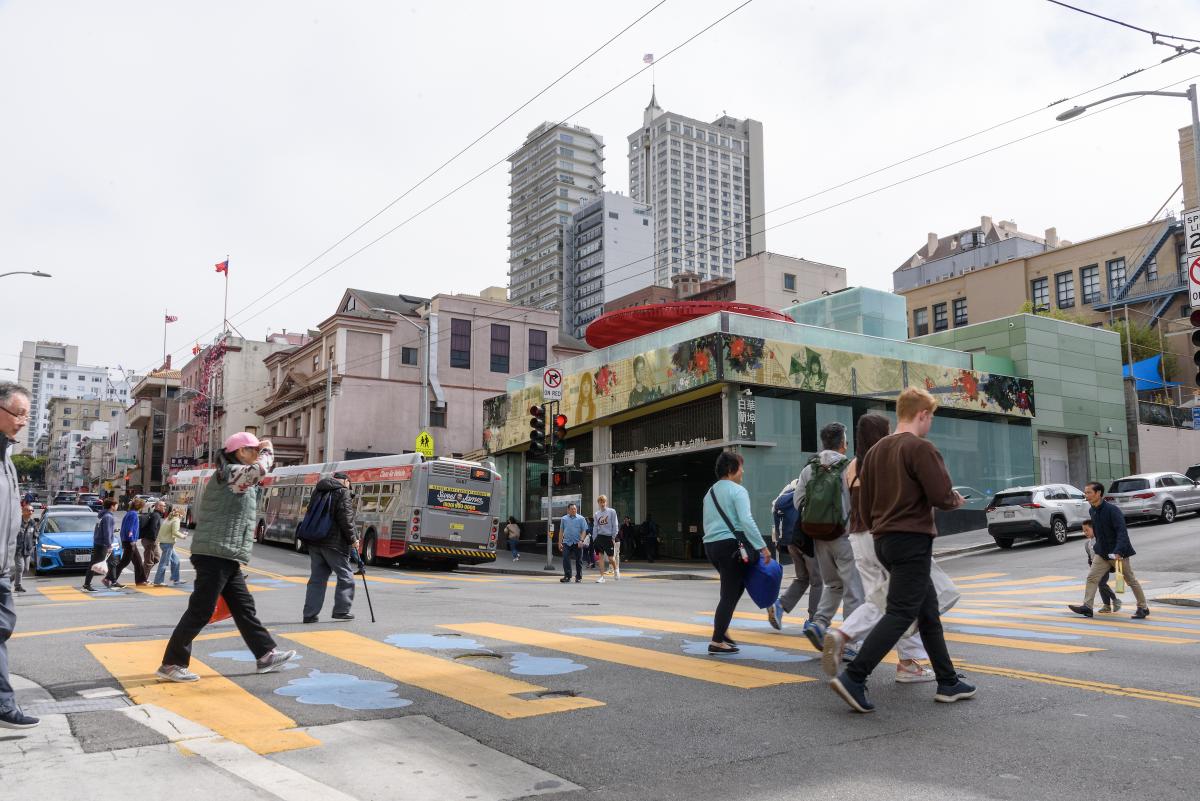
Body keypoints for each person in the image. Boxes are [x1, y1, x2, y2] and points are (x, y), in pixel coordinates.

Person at [830, 387, 975, 713]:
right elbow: (940, 494)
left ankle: (948, 681)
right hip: (912, 540)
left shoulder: (876, 451)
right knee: (900, 612)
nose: (931, 424)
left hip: (882, 540)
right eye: (931, 417)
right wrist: (955, 500)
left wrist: (880, 527)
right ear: (922, 414)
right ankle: (854, 676)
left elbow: (863, 507)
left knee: (928, 611)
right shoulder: (919, 447)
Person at [156, 432, 296, 682]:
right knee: (201, 610)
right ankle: (172, 663)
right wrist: (267, 449)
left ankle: (265, 654)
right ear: (241, 452)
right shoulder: (231, 473)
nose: (257, 454)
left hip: (225, 554)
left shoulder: (232, 475)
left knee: (244, 607)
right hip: (214, 553)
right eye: (253, 450)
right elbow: (259, 470)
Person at [822, 414, 938, 684]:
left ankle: (845, 633)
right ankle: (907, 663)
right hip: (883, 536)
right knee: (906, 600)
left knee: (879, 598)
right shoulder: (887, 460)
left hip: (857, 538)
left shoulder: (851, 467)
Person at [794, 422, 864, 650]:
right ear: (843, 443)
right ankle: (851, 643)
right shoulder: (848, 467)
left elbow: (798, 503)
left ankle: (819, 624)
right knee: (853, 589)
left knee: (833, 584)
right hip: (844, 536)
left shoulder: (809, 469)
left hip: (818, 536)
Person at [702, 451, 772, 655]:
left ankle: (722, 631)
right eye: (741, 467)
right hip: (730, 546)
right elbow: (746, 520)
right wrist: (763, 546)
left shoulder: (710, 492)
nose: (743, 471)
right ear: (732, 470)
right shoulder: (738, 490)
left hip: (711, 547)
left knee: (735, 588)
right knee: (729, 593)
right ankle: (716, 640)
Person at [0, 382, 38, 728]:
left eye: (27, 414)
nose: (24, 420)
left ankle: (3, 705)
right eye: (19, 413)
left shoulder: (8, 459)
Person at [1070, 482, 1149, 619]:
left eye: (1089, 492)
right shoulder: (1092, 510)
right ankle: (1087, 607)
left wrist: (1118, 551)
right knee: (1092, 578)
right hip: (1102, 552)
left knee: (1130, 580)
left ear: (1098, 493)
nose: (1086, 495)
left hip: (1118, 553)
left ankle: (1143, 607)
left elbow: (1122, 532)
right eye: (1086, 492)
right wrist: (1096, 548)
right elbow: (1098, 533)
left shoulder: (1112, 510)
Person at [302, 471, 358, 624]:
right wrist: (353, 539)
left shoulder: (319, 490)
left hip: (315, 541)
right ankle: (341, 610)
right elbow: (346, 518)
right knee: (346, 576)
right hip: (334, 543)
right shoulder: (343, 492)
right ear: (346, 482)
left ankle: (310, 614)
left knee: (317, 579)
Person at [766, 478, 822, 630]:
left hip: (792, 541)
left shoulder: (794, 484)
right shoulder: (817, 485)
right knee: (817, 581)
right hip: (808, 540)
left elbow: (774, 507)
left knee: (802, 578)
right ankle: (813, 621)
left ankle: (780, 605)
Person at [1082, 522, 1120, 613]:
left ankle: (1115, 600)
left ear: (1094, 529)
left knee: (1102, 584)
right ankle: (1107, 605)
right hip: (1095, 568)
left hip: (1104, 566)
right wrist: (1091, 566)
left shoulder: (1099, 540)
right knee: (1101, 585)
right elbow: (1089, 557)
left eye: (1087, 530)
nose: (1085, 533)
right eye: (1083, 531)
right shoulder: (1087, 543)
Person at [83, 498, 119, 592]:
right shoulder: (108, 517)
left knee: (112, 562)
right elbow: (106, 532)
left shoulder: (103, 515)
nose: (117, 506)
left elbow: (100, 529)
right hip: (103, 544)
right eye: (116, 504)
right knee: (94, 564)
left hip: (100, 542)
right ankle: (87, 584)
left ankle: (112, 581)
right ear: (112, 506)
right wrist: (109, 545)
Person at [112, 497, 146, 587]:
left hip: (127, 540)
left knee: (137, 561)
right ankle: (111, 579)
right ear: (140, 506)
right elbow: (129, 529)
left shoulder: (129, 513)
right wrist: (131, 540)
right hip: (130, 542)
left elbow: (126, 528)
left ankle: (140, 580)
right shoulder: (133, 514)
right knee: (125, 562)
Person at [152, 506, 188, 587]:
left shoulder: (169, 518)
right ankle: (158, 581)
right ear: (181, 514)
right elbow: (175, 532)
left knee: (176, 560)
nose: (182, 517)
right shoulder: (176, 520)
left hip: (165, 543)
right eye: (183, 515)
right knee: (164, 563)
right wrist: (183, 536)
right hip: (167, 544)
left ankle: (176, 579)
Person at [592, 495, 621, 583]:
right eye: (600, 502)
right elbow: (595, 527)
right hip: (600, 537)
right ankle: (602, 577)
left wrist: (613, 537)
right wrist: (594, 539)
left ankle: (616, 570)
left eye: (604, 502)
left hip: (609, 537)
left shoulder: (612, 511)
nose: (602, 504)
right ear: (598, 503)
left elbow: (615, 525)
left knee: (610, 558)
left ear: (606, 502)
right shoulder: (597, 514)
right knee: (600, 558)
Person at [557, 503, 587, 583]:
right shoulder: (564, 519)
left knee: (579, 560)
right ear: (568, 510)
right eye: (572, 509)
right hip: (567, 542)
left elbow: (584, 530)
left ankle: (578, 577)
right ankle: (567, 576)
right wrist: (560, 542)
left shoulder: (581, 518)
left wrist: (581, 540)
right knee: (566, 558)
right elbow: (561, 531)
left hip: (578, 542)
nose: (574, 510)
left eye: (575, 509)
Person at [11, 503, 35, 593]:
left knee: (26, 569)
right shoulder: (17, 522)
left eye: (32, 510)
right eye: (28, 510)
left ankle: (8, 580)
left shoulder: (32, 522)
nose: (30, 512)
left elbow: (34, 534)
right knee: (20, 568)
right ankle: (18, 586)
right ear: (23, 511)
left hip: (27, 549)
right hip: (18, 549)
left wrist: (32, 544)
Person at [141, 500, 164, 574]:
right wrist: (154, 540)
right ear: (158, 506)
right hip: (150, 541)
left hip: (150, 540)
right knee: (149, 561)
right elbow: (153, 528)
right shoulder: (156, 515)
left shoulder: (156, 514)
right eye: (163, 506)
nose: (165, 507)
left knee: (156, 558)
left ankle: (142, 572)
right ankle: (143, 579)